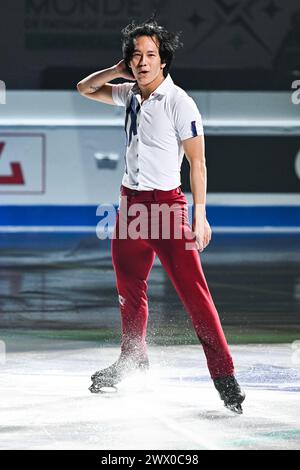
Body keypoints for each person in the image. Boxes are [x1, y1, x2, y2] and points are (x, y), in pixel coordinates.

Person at [77, 16, 245, 413]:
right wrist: (118, 70)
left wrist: (199, 216)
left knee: (195, 296)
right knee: (129, 290)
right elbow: (84, 88)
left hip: (167, 209)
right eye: (135, 55)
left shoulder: (179, 101)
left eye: (150, 54)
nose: (142, 61)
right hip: (129, 206)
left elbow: (198, 163)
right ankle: (132, 357)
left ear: (163, 60)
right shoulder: (129, 94)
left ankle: (224, 376)